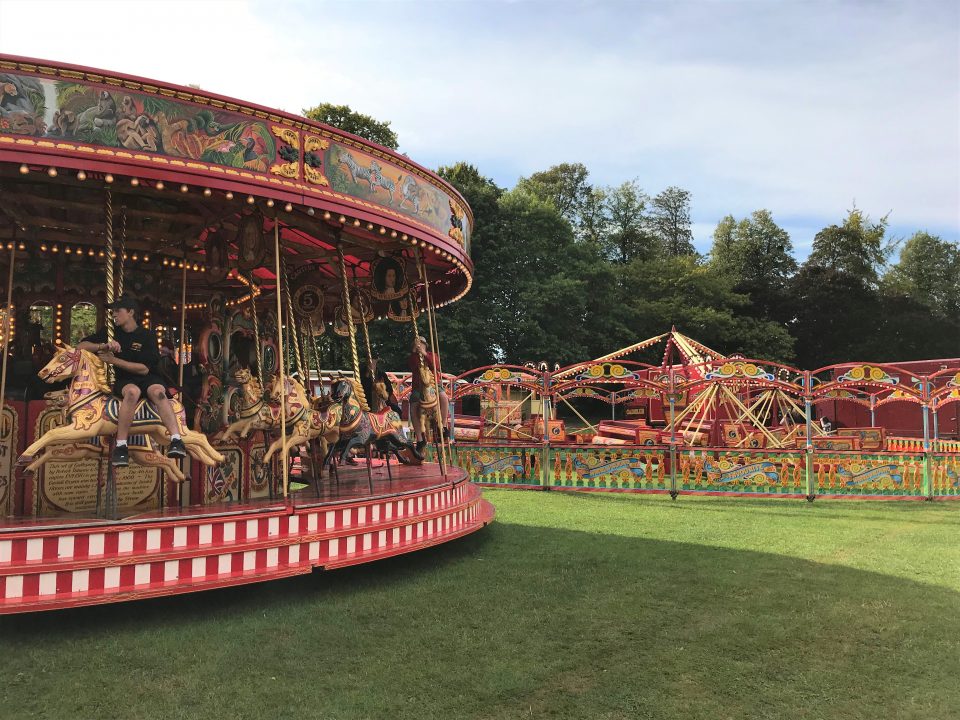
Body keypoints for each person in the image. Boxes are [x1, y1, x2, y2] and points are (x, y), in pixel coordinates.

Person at [78, 295, 187, 466]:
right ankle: (121, 446)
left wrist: (113, 360)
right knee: (131, 392)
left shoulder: (147, 335)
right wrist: (104, 346)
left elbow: (144, 368)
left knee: (158, 392)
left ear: (130, 312)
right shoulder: (110, 333)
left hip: (147, 377)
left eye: (117, 311)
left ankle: (176, 439)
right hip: (125, 379)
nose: (114, 314)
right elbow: (80, 346)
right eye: (112, 311)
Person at [407, 335, 449, 451]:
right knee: (413, 406)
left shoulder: (432, 355)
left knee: (443, 397)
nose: (419, 345)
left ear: (425, 345)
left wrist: (425, 354)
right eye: (417, 344)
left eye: (421, 344)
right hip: (418, 388)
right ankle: (420, 439)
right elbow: (413, 366)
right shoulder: (413, 358)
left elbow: (436, 366)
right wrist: (416, 353)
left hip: (433, 385)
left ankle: (444, 425)